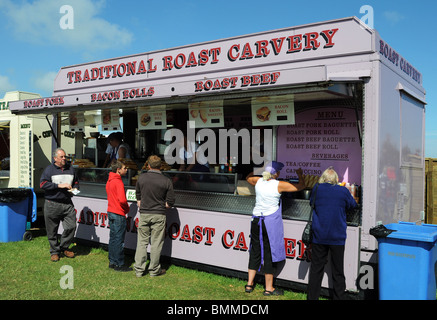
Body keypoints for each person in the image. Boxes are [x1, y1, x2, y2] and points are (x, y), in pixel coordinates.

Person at [245, 161, 305, 296]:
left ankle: (249, 284)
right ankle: (269, 288)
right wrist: (300, 174)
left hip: (256, 220)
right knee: (269, 253)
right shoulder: (278, 185)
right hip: (269, 223)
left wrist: (258, 170)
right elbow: (301, 186)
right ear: (276, 173)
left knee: (255, 250)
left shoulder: (258, 181)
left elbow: (248, 178)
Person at [307, 167, 358, 300]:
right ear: (336, 180)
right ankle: (339, 297)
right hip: (337, 236)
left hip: (319, 235)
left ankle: (312, 298)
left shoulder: (316, 189)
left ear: (323, 178)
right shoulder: (342, 190)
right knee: (338, 270)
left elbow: (311, 203)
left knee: (316, 270)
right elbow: (353, 205)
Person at [134, 155, 175, 277]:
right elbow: (170, 201)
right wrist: (163, 206)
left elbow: (138, 196)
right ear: (161, 166)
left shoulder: (141, 178)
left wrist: (142, 204)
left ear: (149, 165)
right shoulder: (166, 180)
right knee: (156, 243)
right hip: (159, 214)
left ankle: (139, 270)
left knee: (142, 242)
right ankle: (154, 270)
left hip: (145, 213)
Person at [40, 148, 79, 262]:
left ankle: (64, 247)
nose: (64, 159)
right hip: (52, 204)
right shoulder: (49, 170)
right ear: (55, 158)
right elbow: (42, 184)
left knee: (71, 226)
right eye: (61, 157)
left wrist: (75, 188)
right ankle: (54, 252)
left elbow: (76, 182)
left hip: (67, 203)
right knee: (52, 230)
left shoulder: (71, 169)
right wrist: (58, 186)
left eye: (64, 156)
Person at [106, 159, 131, 272]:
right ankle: (119, 263)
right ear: (118, 170)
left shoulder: (110, 180)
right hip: (118, 213)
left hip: (111, 211)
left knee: (113, 238)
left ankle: (112, 261)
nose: (126, 170)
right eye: (124, 168)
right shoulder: (118, 182)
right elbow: (122, 200)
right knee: (119, 240)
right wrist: (127, 209)